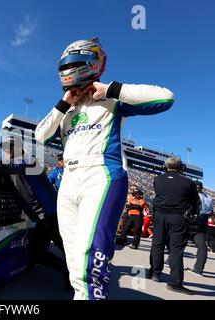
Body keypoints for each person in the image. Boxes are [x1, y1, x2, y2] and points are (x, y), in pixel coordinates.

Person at [35, 37, 174, 300]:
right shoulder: (66, 109)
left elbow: (166, 97)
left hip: (101, 175)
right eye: (65, 66)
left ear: (93, 63)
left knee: (90, 257)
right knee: (74, 259)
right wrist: (64, 103)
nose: (68, 70)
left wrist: (111, 89)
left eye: (74, 64)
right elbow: (40, 137)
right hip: (69, 182)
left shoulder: (110, 97)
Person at [0, 136, 71, 290]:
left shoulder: (27, 160)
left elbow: (0, 166)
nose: (6, 149)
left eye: (10, 146)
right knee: (47, 248)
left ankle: (72, 273)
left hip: (50, 215)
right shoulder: (11, 166)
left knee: (56, 249)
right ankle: (63, 268)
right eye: (4, 147)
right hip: (40, 216)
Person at [149, 156, 199, 295]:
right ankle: (175, 283)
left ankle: (155, 273)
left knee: (157, 244)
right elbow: (195, 203)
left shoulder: (157, 179)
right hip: (178, 218)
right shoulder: (188, 182)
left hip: (159, 215)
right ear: (181, 167)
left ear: (165, 167)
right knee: (176, 249)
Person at [186, 181, 213, 276]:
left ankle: (170, 260)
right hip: (203, 222)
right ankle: (198, 269)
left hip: (192, 221)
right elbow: (211, 212)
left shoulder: (193, 195)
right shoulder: (208, 197)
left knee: (178, 241)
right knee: (202, 245)